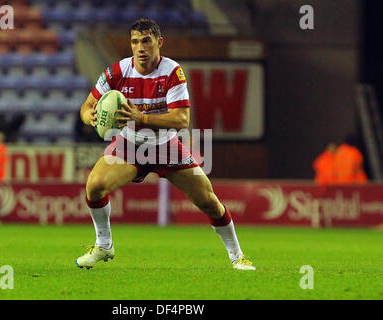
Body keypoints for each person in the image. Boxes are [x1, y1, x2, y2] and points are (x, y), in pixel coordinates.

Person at [76, 18, 255, 270]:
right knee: (94, 186)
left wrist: (143, 117)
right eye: (135, 42)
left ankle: (237, 256)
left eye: (146, 41)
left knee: (208, 201)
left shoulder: (172, 72)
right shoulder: (116, 71)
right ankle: (104, 245)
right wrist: (89, 117)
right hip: (129, 145)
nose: (140, 48)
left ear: (159, 42)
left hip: (165, 144)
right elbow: (86, 106)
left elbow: (182, 119)